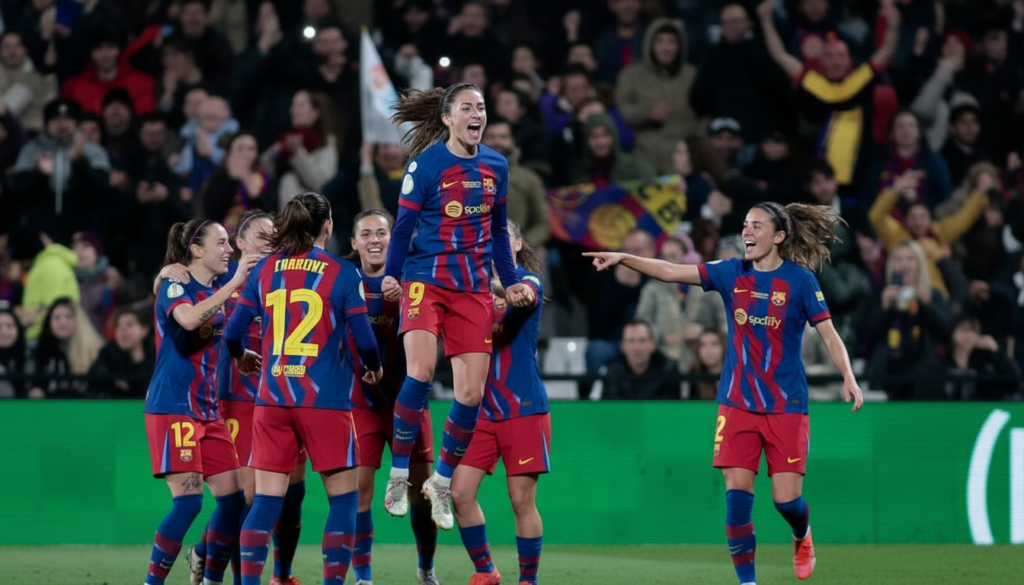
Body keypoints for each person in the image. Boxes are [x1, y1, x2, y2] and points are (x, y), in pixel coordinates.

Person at [585, 201, 864, 585]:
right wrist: (623, 258)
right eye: (745, 224)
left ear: (779, 236)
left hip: (787, 406)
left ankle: (802, 533)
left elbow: (829, 334)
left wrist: (848, 375)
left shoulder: (801, 281)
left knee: (786, 501)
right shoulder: (730, 272)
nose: (747, 232)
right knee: (736, 501)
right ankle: (747, 583)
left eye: (757, 226)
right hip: (737, 404)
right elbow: (669, 270)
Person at [380, 82, 534, 531]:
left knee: (470, 394)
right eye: (467, 107)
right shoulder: (424, 167)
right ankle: (399, 475)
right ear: (447, 118)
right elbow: (405, 226)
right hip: (425, 282)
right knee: (421, 373)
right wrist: (392, 273)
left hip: (471, 290)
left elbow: (500, 235)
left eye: (481, 108)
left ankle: (441, 482)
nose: (477, 114)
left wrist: (511, 282)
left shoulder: (496, 166)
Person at [223, 192, 383, 585]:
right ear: (327, 226)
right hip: (323, 400)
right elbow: (364, 338)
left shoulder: (264, 271)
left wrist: (242, 355)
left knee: (265, 502)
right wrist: (374, 367)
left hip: (272, 399)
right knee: (344, 500)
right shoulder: (344, 273)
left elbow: (232, 334)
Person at [160, 210, 305, 585]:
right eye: (260, 236)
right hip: (234, 398)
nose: (269, 244)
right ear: (239, 244)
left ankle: (205, 554)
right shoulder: (224, 280)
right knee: (247, 498)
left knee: (267, 495)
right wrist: (163, 273)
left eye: (275, 238)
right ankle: (222, 570)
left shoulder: (282, 280)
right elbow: (183, 300)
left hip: (276, 397)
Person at [142, 218, 258, 585]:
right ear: (196, 250)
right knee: (189, 503)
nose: (229, 250)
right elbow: (191, 320)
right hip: (172, 406)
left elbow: (221, 331)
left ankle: (209, 578)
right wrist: (235, 282)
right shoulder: (175, 286)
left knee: (233, 500)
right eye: (221, 243)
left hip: (208, 411)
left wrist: (239, 354)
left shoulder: (220, 286)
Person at [451, 220, 549, 585]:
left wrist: (477, 283)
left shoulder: (529, 281)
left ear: (519, 243)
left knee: (521, 501)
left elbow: (522, 296)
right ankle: (486, 571)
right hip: (480, 411)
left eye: (501, 237)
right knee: (458, 493)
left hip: (522, 407)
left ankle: (528, 581)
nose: (492, 243)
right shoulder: (466, 292)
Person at [346, 209, 439, 585]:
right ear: (353, 243)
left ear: (393, 239)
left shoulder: (413, 280)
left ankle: (426, 569)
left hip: (409, 403)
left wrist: (403, 300)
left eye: (382, 233)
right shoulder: (343, 281)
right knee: (360, 494)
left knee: (422, 494)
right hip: (362, 404)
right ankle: (364, 578)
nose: (374, 240)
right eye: (366, 234)